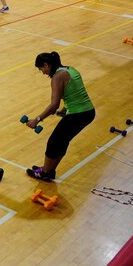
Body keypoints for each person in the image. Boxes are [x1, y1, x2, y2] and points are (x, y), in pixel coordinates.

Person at [24, 51, 95, 181]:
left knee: (53, 142)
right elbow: (75, 92)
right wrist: (64, 109)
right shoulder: (70, 69)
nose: (43, 73)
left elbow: (54, 105)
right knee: (62, 141)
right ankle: (50, 170)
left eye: (41, 69)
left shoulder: (57, 77)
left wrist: (37, 120)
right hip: (88, 112)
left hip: (78, 114)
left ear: (46, 65)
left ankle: (45, 172)